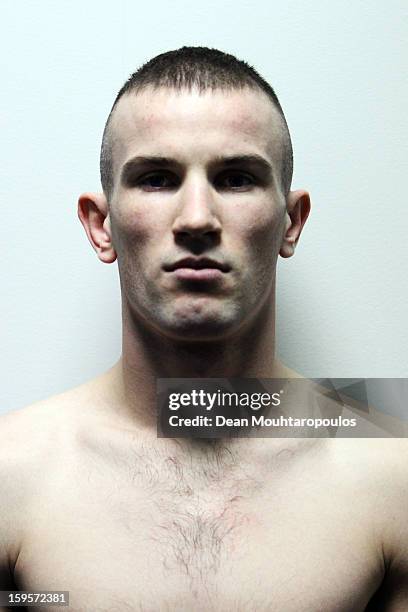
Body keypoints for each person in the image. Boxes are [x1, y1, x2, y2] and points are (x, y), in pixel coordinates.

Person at [0, 46, 407, 611]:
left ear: (291, 222)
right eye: (157, 178)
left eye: (236, 178)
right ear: (101, 226)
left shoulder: (393, 474)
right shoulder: (12, 474)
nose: (196, 218)